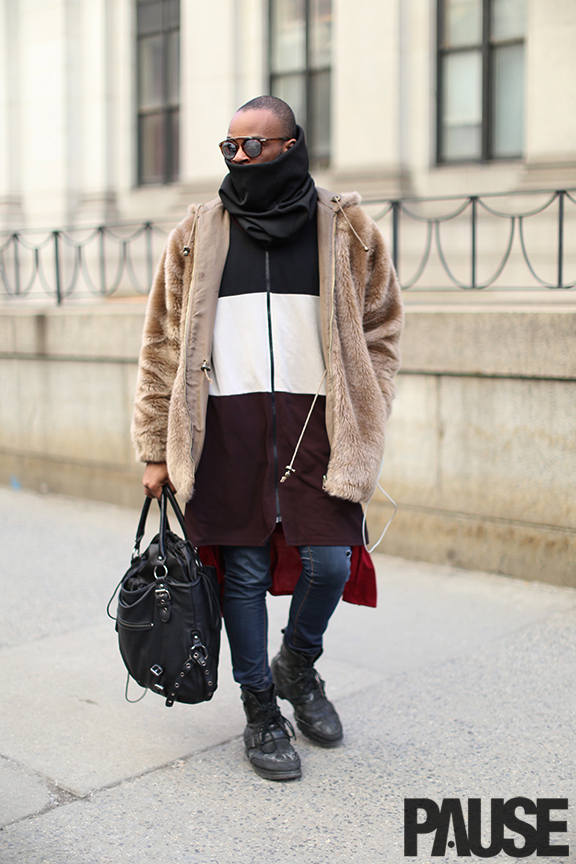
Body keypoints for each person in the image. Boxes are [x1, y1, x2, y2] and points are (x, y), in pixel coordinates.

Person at [131, 95, 403, 781]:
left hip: (318, 422)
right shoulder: (198, 232)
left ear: (289, 146)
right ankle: (259, 708)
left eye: (254, 146)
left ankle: (297, 665)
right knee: (245, 573)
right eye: (230, 147)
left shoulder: (344, 229)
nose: (240, 159)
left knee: (330, 563)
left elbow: (383, 328)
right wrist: (155, 447)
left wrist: (369, 407)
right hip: (227, 425)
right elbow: (162, 342)